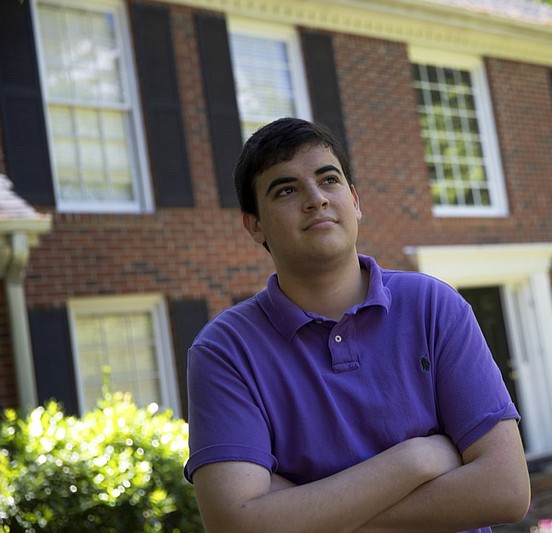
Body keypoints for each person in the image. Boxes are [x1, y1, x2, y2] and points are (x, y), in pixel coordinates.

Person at [184, 117, 531, 532]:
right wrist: (414, 460)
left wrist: (303, 514)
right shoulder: (225, 351)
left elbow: (507, 490)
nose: (316, 199)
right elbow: (236, 526)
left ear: (354, 199)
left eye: (328, 180)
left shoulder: (434, 307)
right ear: (254, 224)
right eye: (287, 190)